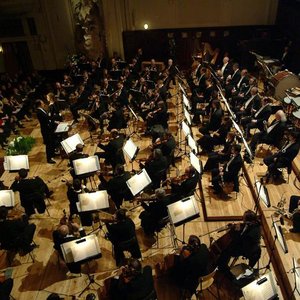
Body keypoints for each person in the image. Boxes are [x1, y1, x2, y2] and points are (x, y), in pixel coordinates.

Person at [217, 210, 261, 280]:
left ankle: (222, 267)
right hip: (248, 245)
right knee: (229, 246)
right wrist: (236, 226)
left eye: (243, 218)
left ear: (249, 221)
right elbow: (245, 227)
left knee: (227, 250)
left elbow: (241, 242)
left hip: (248, 250)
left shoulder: (252, 234)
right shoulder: (254, 223)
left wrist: (236, 232)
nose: (242, 219)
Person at [36, 99, 56, 163]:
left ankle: (52, 154)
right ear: (39, 104)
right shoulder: (39, 112)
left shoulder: (42, 110)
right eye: (42, 103)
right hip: (45, 130)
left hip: (48, 128)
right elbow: (46, 119)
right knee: (48, 144)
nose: (44, 104)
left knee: (51, 142)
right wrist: (53, 121)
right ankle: (49, 158)